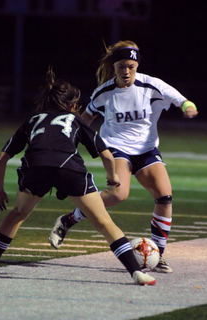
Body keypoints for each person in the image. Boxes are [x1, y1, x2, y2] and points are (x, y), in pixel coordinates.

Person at [0, 67, 156, 285]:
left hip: (36, 167)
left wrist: (0, 191)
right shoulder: (75, 119)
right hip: (68, 168)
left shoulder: (32, 121)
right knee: (103, 222)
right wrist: (112, 179)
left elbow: (2, 158)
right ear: (71, 104)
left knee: (17, 214)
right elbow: (107, 156)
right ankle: (137, 272)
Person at [49, 40, 198, 273]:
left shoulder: (152, 86)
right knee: (118, 194)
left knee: (165, 197)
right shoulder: (105, 92)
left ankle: (157, 255)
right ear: (114, 66)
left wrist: (188, 107)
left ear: (137, 64)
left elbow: (183, 100)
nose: (126, 71)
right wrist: (67, 143)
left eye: (130, 66)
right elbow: (84, 121)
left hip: (147, 150)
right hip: (116, 148)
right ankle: (69, 220)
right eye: (120, 66)